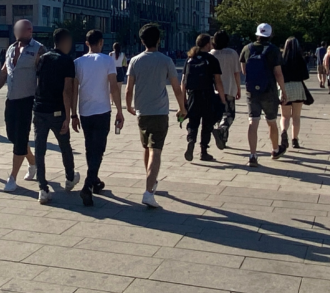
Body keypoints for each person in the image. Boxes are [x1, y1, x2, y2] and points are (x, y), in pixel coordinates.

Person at [126, 24, 187, 209]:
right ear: (158, 40)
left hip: (142, 112)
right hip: (160, 112)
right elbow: (177, 88)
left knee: (147, 147)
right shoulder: (166, 60)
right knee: (156, 150)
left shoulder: (135, 61)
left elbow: (128, 88)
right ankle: (148, 191)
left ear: (142, 40)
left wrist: (128, 106)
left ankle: (150, 180)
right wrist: (182, 108)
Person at [72, 29, 124, 207]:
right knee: (99, 148)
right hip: (102, 109)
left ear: (87, 44)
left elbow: (74, 90)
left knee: (89, 146)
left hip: (85, 110)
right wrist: (119, 109)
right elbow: (113, 87)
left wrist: (73, 113)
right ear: (101, 42)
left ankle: (94, 180)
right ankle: (88, 185)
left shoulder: (78, 62)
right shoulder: (107, 60)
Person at [0, 20, 40, 192]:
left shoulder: (38, 49)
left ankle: (12, 177)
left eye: (30, 30)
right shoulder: (11, 48)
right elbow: (4, 71)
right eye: (25, 30)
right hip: (11, 99)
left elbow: (44, 74)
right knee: (13, 136)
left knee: (21, 137)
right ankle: (33, 162)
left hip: (28, 99)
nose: (28, 32)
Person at [32, 28, 80, 204]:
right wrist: (69, 116)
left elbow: (38, 81)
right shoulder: (67, 61)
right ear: (65, 42)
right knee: (64, 145)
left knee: (40, 148)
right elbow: (67, 90)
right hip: (57, 110)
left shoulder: (43, 58)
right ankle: (69, 177)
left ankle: (42, 188)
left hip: (39, 108)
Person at [239, 23, 287, 166]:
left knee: (253, 121)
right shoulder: (273, 50)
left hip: (252, 91)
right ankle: (275, 149)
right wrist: (283, 91)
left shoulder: (247, 48)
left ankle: (253, 155)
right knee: (271, 122)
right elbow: (278, 73)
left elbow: (244, 71)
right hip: (269, 91)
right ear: (270, 35)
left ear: (257, 34)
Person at [180, 34, 227, 162]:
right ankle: (204, 152)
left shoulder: (190, 59)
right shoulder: (211, 59)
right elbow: (218, 82)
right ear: (207, 44)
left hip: (193, 96)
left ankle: (191, 140)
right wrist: (223, 100)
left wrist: (183, 101)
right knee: (207, 123)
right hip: (207, 95)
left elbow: (183, 82)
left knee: (193, 122)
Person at [210, 31, 242, 150]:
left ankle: (223, 138)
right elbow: (236, 73)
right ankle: (222, 129)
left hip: (215, 89)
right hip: (229, 87)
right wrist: (238, 88)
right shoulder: (232, 53)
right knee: (229, 114)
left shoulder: (212, 53)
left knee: (219, 113)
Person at [279, 36, 309, 153]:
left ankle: (283, 132)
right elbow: (305, 76)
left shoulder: (281, 59)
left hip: (284, 87)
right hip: (297, 87)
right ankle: (295, 139)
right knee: (296, 116)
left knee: (284, 116)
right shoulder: (300, 59)